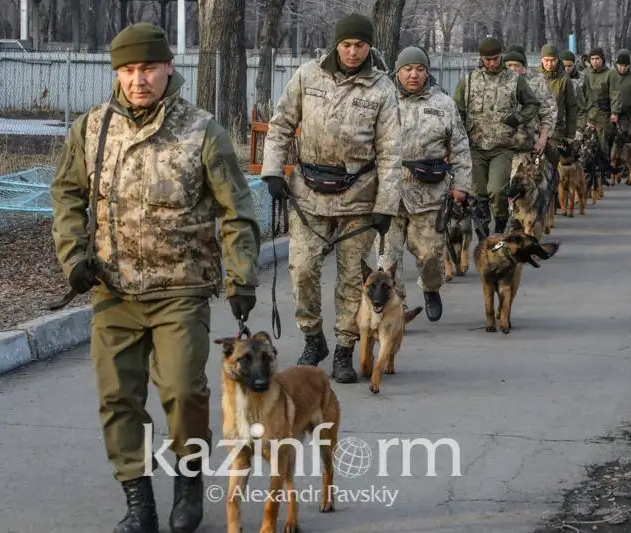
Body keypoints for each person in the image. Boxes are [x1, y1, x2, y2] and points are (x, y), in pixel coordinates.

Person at [49, 22, 261, 533]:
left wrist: (242, 276)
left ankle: (188, 482)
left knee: (184, 391)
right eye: (127, 70)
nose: (137, 79)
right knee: (118, 398)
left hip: (180, 289)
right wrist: (74, 258)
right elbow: (67, 197)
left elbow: (236, 209)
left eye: (147, 68)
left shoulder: (201, 130)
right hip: (113, 289)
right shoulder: (91, 128)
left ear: (168, 67)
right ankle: (138, 501)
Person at [260, 12, 402, 383]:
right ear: (337, 45)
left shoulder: (382, 88)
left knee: (353, 278)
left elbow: (390, 152)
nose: (353, 52)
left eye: (360, 45)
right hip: (309, 193)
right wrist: (272, 171)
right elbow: (280, 125)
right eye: (347, 44)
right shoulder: (308, 75)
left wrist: (386, 206)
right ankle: (313, 338)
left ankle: (344, 348)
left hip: (359, 196)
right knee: (303, 269)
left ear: (369, 46)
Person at [375, 45, 472, 321]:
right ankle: (396, 308)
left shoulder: (444, 104)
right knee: (387, 259)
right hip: (389, 192)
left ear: (427, 72)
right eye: (407, 69)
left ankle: (431, 289)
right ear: (398, 72)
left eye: (420, 69)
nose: (413, 75)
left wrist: (462, 186)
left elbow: (460, 147)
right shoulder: (382, 100)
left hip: (429, 192)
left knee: (430, 256)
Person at [453, 38, 540, 235]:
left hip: (502, 146)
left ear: (501, 56)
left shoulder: (515, 80)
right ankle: (483, 230)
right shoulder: (469, 81)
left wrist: (517, 118)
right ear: (481, 58)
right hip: (475, 146)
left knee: (497, 190)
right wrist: (457, 138)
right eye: (488, 59)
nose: (492, 63)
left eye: (495, 58)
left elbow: (532, 104)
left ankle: (500, 222)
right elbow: (457, 110)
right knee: (478, 193)